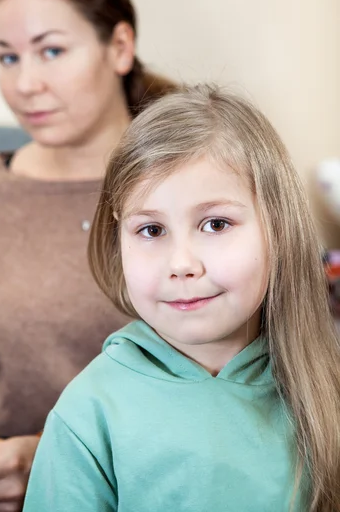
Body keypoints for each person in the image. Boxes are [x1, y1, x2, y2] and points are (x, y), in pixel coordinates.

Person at [23, 85, 340, 511]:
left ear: (278, 230)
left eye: (215, 224)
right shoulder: (89, 413)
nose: (181, 263)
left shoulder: (324, 385)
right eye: (151, 230)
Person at [0, 0, 174, 511]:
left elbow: (250, 383)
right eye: (8, 57)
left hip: (152, 487)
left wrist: (56, 458)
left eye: (50, 51)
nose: (25, 84)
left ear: (120, 47)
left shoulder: (188, 190)